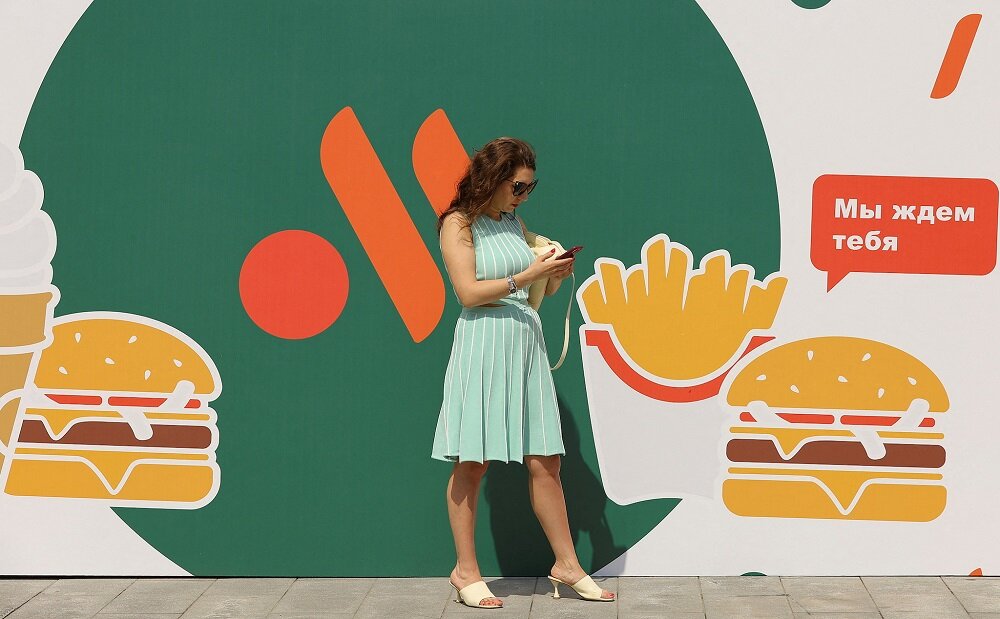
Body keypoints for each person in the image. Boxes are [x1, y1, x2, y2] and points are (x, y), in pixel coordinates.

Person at [432, 137, 615, 608]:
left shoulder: (514, 223)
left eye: (530, 188)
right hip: (483, 342)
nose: (523, 196)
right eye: (517, 186)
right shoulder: (458, 223)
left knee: (546, 460)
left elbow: (533, 292)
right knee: (472, 461)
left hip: (525, 343)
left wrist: (552, 273)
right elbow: (468, 293)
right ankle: (465, 571)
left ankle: (567, 564)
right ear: (492, 179)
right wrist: (529, 275)